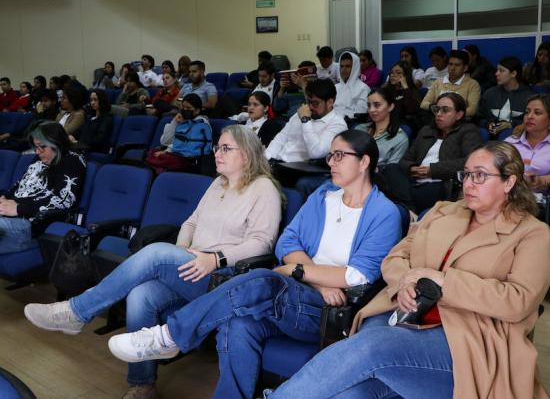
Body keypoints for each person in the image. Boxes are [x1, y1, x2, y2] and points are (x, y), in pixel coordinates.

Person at [104, 130, 402, 399]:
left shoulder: (384, 213)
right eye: (330, 155)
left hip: (328, 312)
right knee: (239, 323)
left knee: (263, 279)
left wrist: (296, 270)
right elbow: (287, 244)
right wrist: (318, 280)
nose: (331, 162)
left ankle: (171, 335)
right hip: (303, 292)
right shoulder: (323, 196)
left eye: (340, 155)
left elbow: (357, 275)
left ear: (364, 162)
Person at [265, 140, 550, 399]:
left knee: (371, 347)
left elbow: (518, 301)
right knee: (353, 392)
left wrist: (442, 281)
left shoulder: (533, 234)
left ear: (509, 181)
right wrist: (406, 282)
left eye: (481, 175)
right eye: (466, 174)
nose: (469, 184)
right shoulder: (442, 212)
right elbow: (395, 257)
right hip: (401, 311)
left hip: (468, 337)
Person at [24, 125, 282, 399]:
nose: (217, 153)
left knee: (158, 253)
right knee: (141, 295)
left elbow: (262, 243)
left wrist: (214, 258)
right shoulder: (218, 183)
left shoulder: (264, 188)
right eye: (216, 147)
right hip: (192, 266)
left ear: (247, 154)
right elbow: (191, 222)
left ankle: (76, 312)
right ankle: (143, 383)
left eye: (225, 148)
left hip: (224, 277)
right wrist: (181, 253)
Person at [386, 92, 483, 212]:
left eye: (445, 110)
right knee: (390, 169)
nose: (438, 114)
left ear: (459, 115)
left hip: (440, 184)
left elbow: (471, 162)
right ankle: (409, 207)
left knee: (394, 191)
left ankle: (405, 206)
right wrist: (412, 168)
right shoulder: (427, 131)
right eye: (437, 109)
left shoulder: (468, 131)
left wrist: (433, 170)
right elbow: (405, 160)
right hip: (413, 181)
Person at [0, 122, 86, 253]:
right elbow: (21, 183)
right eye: (36, 147)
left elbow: (63, 200)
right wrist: (5, 197)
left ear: (56, 144)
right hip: (10, 216)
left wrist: (19, 208)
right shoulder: (40, 158)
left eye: (42, 147)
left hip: (30, 224)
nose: (38, 152)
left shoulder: (72, 161)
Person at [265, 78, 347, 163]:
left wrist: (306, 121)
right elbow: (281, 138)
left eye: (315, 103)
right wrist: (266, 159)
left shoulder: (338, 124)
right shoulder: (300, 114)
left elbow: (316, 153)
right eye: (309, 102)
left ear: (330, 102)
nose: (310, 107)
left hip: (300, 169)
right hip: (278, 163)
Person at [144, 93, 211, 174]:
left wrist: (167, 151)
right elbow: (165, 141)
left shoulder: (202, 123)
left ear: (197, 111)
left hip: (191, 159)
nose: (184, 110)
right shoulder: (183, 119)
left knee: (160, 157)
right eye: (183, 107)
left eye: (188, 108)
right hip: (176, 153)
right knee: (153, 153)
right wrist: (174, 122)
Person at [478, 56, 533, 138]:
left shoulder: (528, 96)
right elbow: (479, 118)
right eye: (497, 70)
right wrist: (488, 124)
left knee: (506, 134)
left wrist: (510, 124)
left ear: (513, 73)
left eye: (501, 71)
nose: (496, 74)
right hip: (490, 136)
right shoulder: (490, 93)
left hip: (514, 136)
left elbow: (531, 120)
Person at [505, 94, 550, 193]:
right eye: (527, 112)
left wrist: (543, 181)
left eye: (537, 113)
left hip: (542, 201)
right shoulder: (510, 142)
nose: (529, 117)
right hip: (510, 196)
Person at [356, 88, 409, 167]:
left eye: (377, 105)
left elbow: (391, 170)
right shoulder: (359, 128)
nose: (371, 110)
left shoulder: (400, 138)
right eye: (369, 105)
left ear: (390, 107)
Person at [421, 50, 481, 118]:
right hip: (438, 119)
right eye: (450, 64)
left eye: (457, 65)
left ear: (465, 68)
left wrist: (452, 116)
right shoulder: (438, 82)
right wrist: (433, 107)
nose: (452, 68)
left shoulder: (472, 84)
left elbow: (472, 110)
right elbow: (423, 104)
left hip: (460, 123)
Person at [383, 61, 421, 125]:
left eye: (398, 73)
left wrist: (405, 88)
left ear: (406, 76)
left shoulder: (412, 91)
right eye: (391, 72)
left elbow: (412, 110)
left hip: (404, 124)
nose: (392, 75)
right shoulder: (387, 91)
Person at [334, 52, 370, 119]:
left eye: (348, 66)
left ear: (355, 68)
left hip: (350, 124)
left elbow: (361, 112)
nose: (343, 70)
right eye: (341, 66)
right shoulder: (335, 87)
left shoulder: (363, 88)